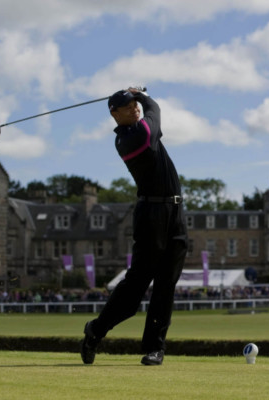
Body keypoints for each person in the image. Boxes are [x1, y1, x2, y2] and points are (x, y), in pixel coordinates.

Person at [81, 87, 188, 366]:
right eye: (127, 106)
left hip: (175, 213)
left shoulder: (137, 130)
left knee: (166, 286)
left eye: (134, 104)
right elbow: (156, 112)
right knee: (135, 289)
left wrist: (136, 96)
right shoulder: (135, 137)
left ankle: (155, 348)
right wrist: (141, 94)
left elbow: (149, 113)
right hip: (151, 214)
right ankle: (96, 330)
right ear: (114, 114)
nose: (134, 108)